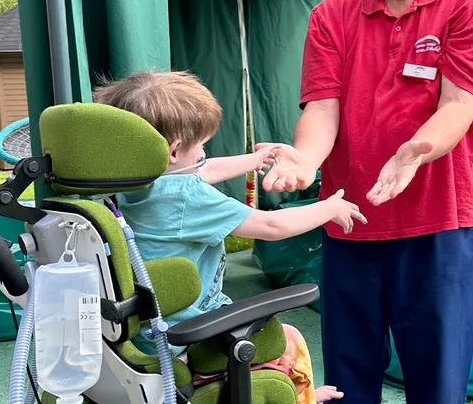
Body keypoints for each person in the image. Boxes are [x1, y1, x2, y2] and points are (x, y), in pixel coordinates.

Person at [260, 0, 473, 402]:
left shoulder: (472, 1)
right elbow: (323, 108)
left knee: (437, 383)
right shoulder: (332, 14)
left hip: (438, 224)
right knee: (347, 384)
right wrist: (306, 160)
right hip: (348, 220)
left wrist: (414, 151)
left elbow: (459, 104)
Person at [92, 70, 362, 403]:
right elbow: (271, 227)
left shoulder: (128, 185)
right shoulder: (185, 197)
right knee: (287, 337)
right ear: (174, 151)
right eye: (202, 145)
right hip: (191, 337)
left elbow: (201, 169)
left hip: (146, 335)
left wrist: (256, 160)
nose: (205, 153)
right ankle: (296, 397)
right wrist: (328, 208)